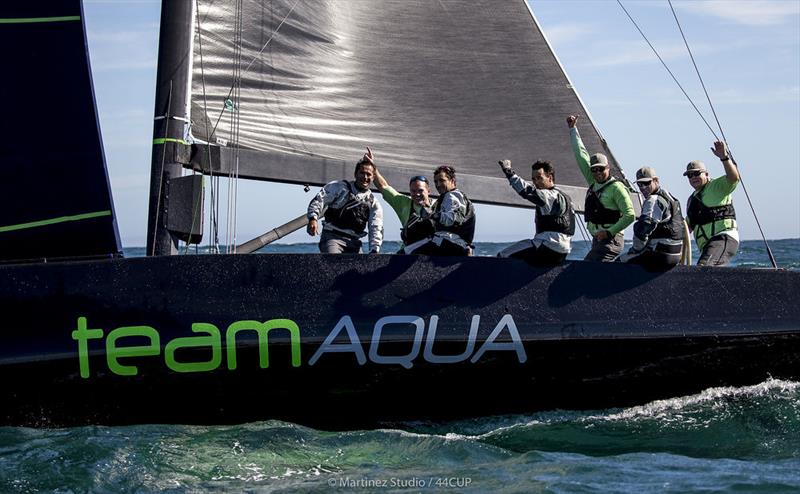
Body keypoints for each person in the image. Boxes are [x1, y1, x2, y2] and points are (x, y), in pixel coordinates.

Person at [567, 115, 634, 261]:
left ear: (608, 168)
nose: (597, 173)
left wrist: (609, 232)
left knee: (588, 268)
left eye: (601, 169)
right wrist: (573, 129)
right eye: (594, 170)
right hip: (598, 240)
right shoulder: (593, 181)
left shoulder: (617, 188)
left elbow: (630, 215)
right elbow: (581, 155)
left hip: (611, 240)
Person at [496, 159, 574, 266]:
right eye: (533, 179)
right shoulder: (565, 196)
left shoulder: (549, 195)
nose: (536, 182)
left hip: (547, 246)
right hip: (563, 250)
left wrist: (508, 171)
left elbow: (527, 191)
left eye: (539, 178)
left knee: (502, 255)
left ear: (550, 178)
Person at [306, 148, 383, 254]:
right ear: (355, 174)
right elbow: (319, 200)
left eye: (368, 174)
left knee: (358, 269)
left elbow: (375, 226)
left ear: (373, 177)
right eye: (362, 173)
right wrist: (313, 219)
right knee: (334, 262)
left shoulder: (373, 203)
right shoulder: (339, 187)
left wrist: (375, 249)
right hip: (332, 237)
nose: (365, 177)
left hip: (354, 242)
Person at [684, 140, 740, 266]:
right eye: (689, 175)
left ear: (707, 174)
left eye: (697, 173)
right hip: (708, 246)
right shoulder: (692, 199)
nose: (693, 177)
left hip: (723, 238)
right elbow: (686, 228)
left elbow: (734, 178)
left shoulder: (717, 186)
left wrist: (724, 158)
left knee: (704, 268)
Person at [619, 166, 684, 269]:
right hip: (676, 255)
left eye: (646, 183)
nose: (643, 187)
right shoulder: (670, 196)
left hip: (660, 254)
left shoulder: (653, 200)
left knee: (619, 262)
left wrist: (635, 249)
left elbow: (644, 227)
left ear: (656, 181)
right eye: (640, 184)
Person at [404, 165, 475, 256]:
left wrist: (432, 215)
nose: (438, 184)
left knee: (405, 253)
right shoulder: (445, 198)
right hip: (449, 243)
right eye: (436, 181)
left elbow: (455, 219)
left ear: (452, 181)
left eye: (442, 180)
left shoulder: (452, 196)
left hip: (451, 243)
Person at [373, 168, 435, 253]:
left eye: (420, 190)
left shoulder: (438, 206)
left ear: (428, 191)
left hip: (431, 253)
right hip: (408, 252)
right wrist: (372, 166)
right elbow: (382, 186)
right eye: (413, 191)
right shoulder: (403, 204)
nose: (417, 194)